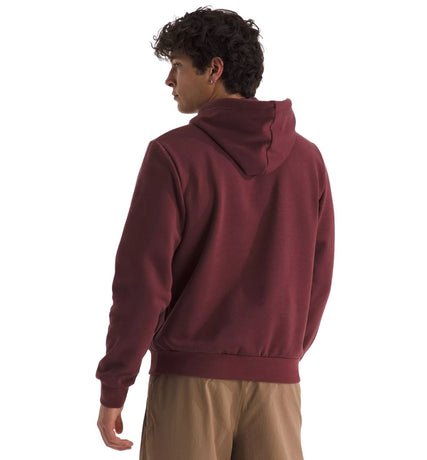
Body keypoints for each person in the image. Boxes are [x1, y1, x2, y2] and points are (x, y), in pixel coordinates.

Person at [96, 7, 335, 459]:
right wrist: (279, 356)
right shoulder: (308, 160)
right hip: (278, 388)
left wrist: (115, 383)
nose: (169, 80)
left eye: (178, 66)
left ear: (214, 70)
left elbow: (142, 283)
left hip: (190, 383)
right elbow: (317, 280)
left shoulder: (172, 155)